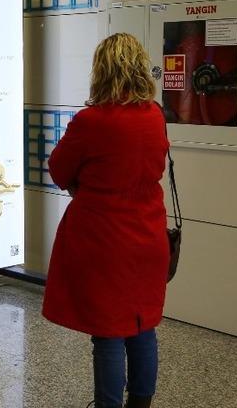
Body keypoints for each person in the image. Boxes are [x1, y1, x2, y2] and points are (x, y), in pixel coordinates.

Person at [41, 33, 169, 408]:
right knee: (142, 326)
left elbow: (60, 170)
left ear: (101, 70)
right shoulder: (155, 115)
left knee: (109, 334)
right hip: (149, 236)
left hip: (105, 242)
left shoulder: (92, 121)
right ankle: (140, 404)